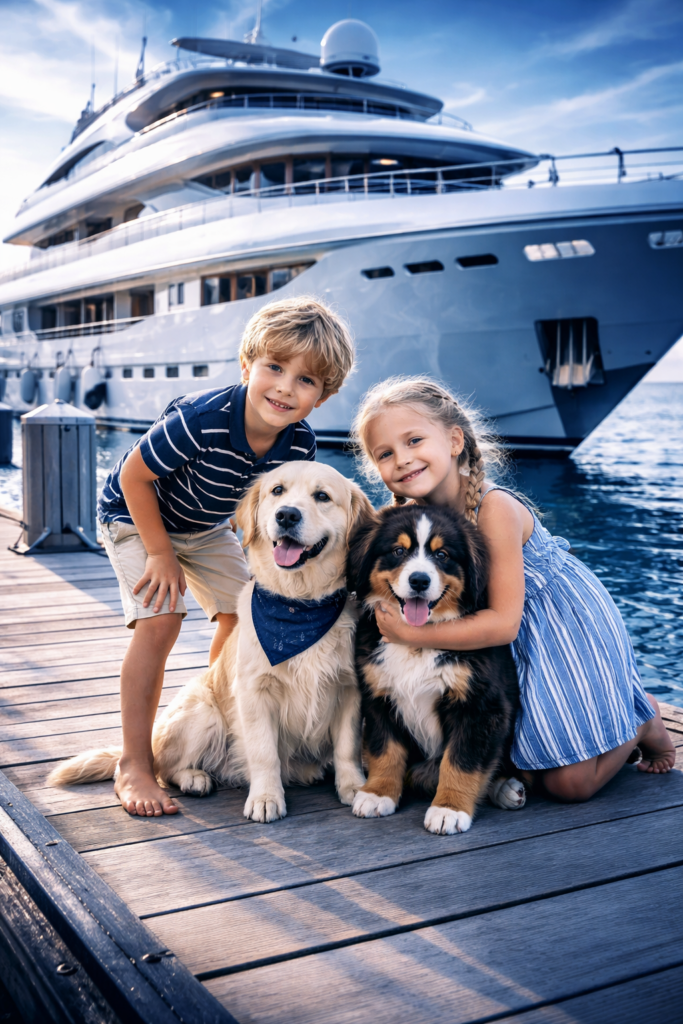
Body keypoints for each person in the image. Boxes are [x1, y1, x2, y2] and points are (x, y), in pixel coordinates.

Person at [352, 375, 675, 802]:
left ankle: (643, 718)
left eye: (414, 440)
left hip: (554, 626)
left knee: (568, 785)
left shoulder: (495, 507)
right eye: (385, 453)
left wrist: (411, 633)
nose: (403, 459)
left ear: (454, 440)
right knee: (523, 763)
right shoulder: (405, 521)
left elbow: (504, 624)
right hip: (492, 638)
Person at [98, 296, 355, 817]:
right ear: (247, 365)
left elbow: (279, 505)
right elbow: (132, 476)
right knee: (161, 618)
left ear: (322, 397)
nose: (285, 387)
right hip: (136, 514)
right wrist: (160, 553)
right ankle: (135, 763)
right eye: (274, 367)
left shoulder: (299, 443)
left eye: (305, 380)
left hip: (206, 525)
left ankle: (228, 720)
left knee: (244, 617)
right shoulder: (203, 419)